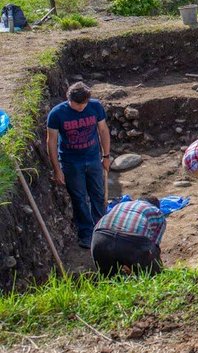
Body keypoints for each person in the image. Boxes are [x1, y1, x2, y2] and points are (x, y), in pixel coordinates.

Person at [46, 82, 110, 249]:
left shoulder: (95, 107)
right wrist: (57, 169)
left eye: (84, 104)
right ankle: (86, 234)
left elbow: (103, 130)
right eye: (78, 105)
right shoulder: (57, 114)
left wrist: (106, 156)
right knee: (79, 198)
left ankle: (102, 229)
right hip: (71, 162)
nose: (82, 108)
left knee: (97, 194)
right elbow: (51, 142)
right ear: (69, 100)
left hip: (93, 158)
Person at [91, 197, 165, 276]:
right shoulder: (157, 212)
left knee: (109, 278)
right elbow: (155, 246)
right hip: (131, 241)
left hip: (100, 238)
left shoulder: (120, 205)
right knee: (153, 275)